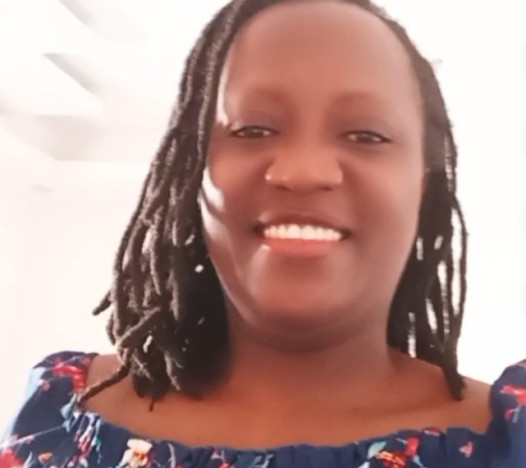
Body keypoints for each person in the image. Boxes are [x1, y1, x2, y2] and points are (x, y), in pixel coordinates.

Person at [1, 0, 525, 466]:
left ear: (425, 185)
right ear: (192, 172)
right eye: (252, 129)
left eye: (367, 134)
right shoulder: (62, 411)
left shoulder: (507, 439)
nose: (302, 171)